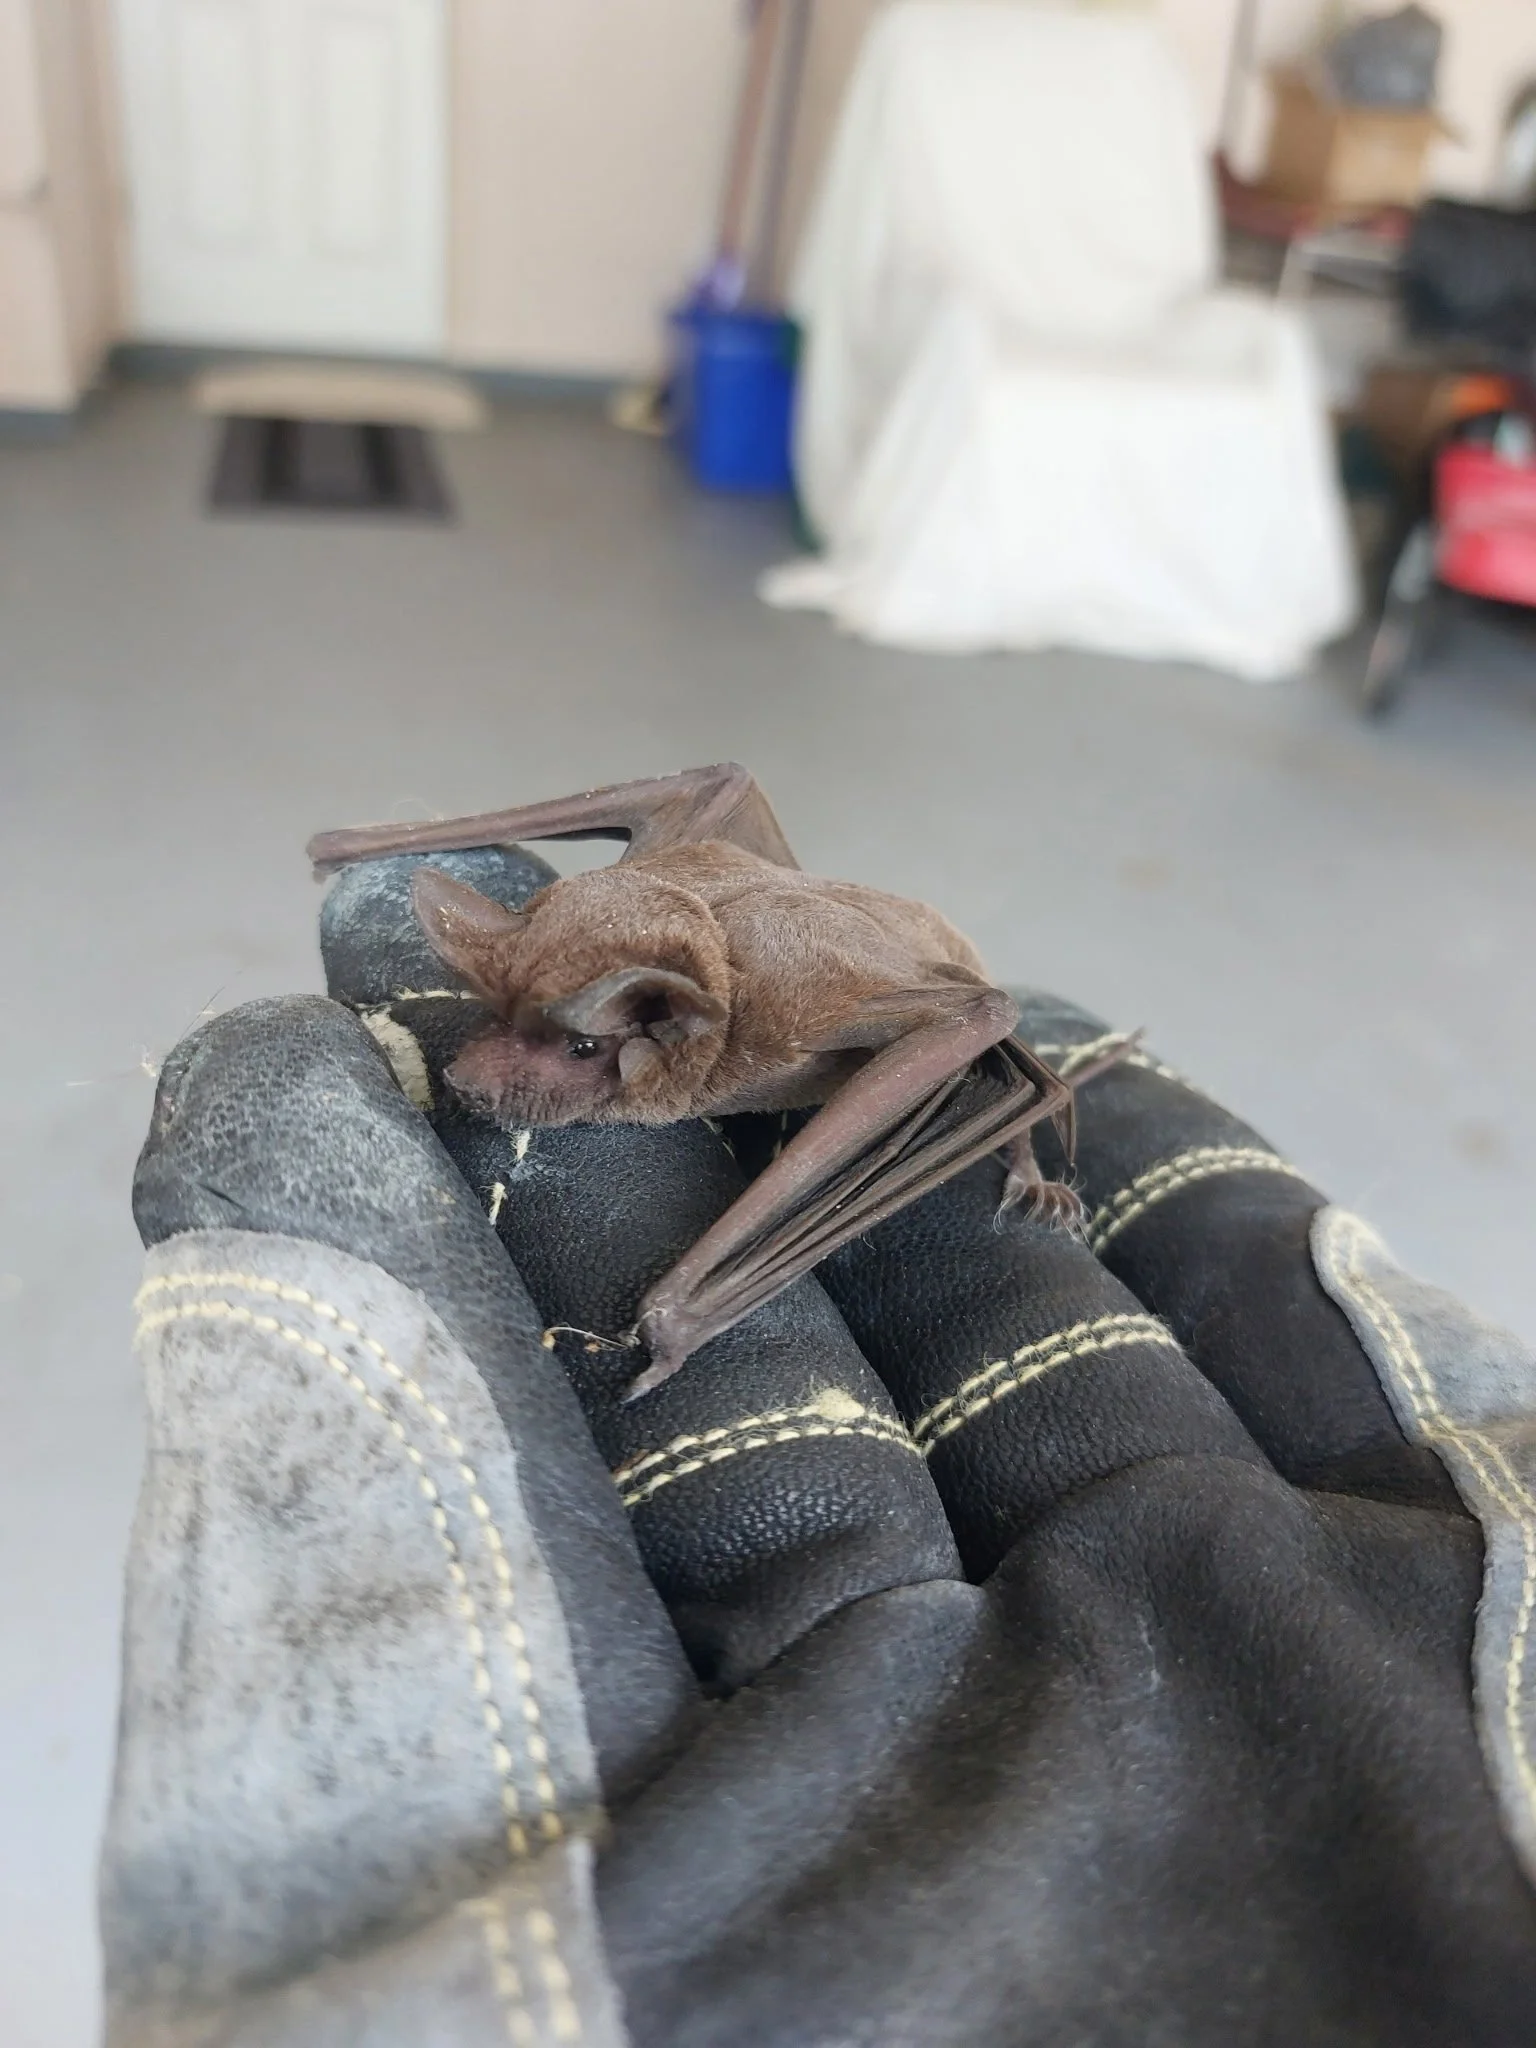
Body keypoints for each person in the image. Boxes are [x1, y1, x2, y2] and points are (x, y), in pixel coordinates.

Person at [102, 845, 1536, 2047]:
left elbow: (959, 1014)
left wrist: (682, 1305)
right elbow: (707, 834)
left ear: (658, 1033)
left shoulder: (747, 1046)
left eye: (561, 1046)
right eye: (509, 1020)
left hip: (897, 1005)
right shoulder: (636, 976)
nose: (500, 1068)